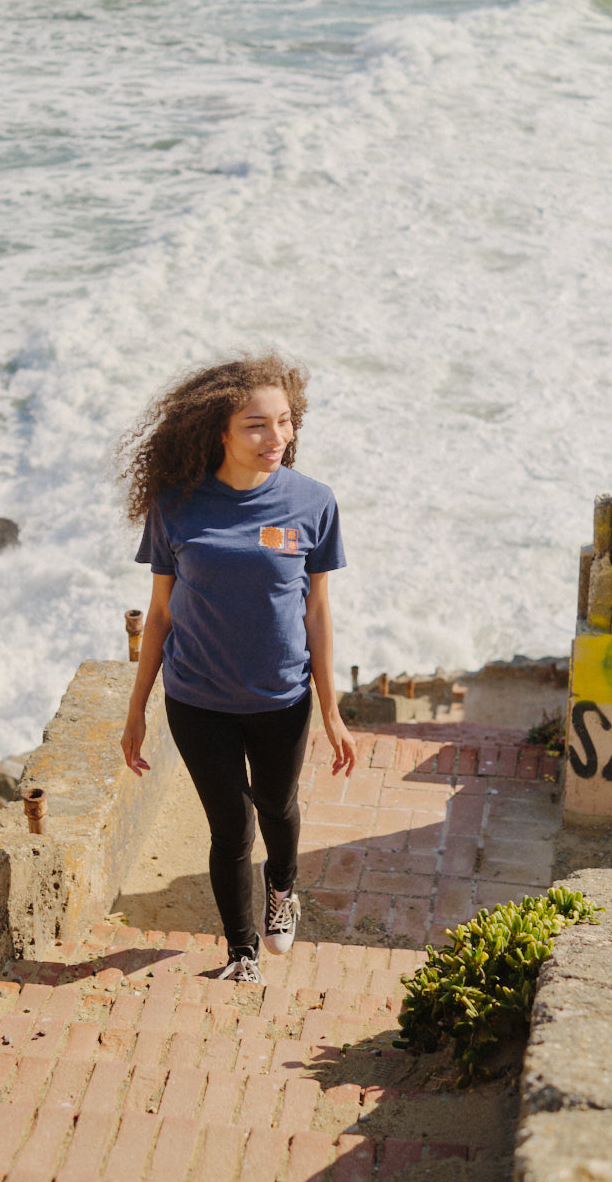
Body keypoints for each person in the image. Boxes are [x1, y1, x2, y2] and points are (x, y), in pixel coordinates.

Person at [118, 352, 356, 983]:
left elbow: (318, 612)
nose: (275, 438)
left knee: (276, 807)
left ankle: (284, 885)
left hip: (281, 698)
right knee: (231, 826)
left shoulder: (313, 503)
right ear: (219, 432)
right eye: (255, 424)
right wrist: (137, 706)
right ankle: (241, 953)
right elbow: (161, 612)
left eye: (283, 422)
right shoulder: (177, 506)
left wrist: (331, 711)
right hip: (197, 700)